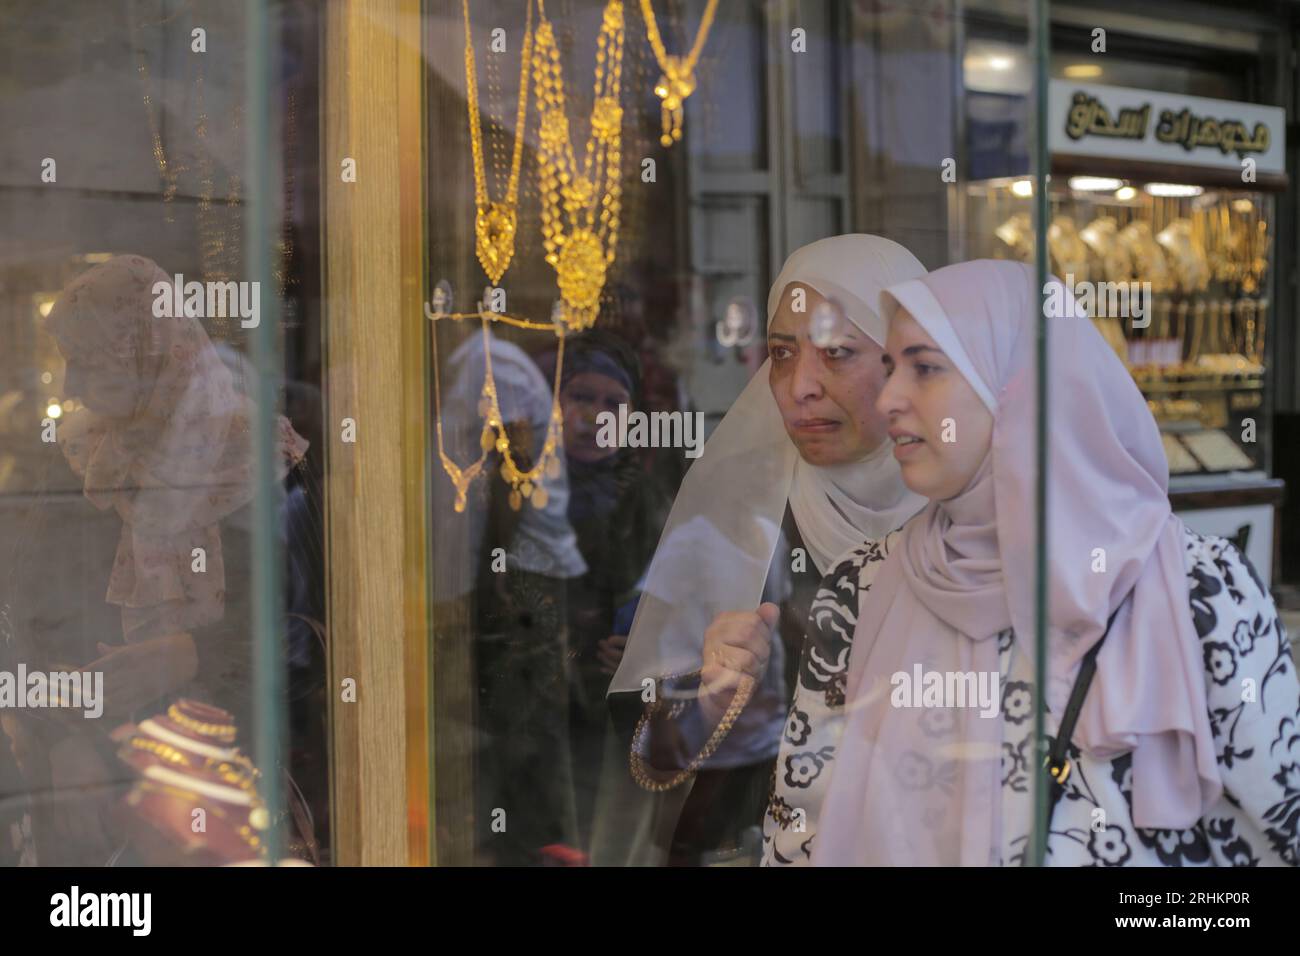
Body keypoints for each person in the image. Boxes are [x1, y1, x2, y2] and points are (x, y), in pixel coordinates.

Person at [815, 259, 1300, 866]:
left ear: (1019, 384)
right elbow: (802, 824)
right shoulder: (863, 586)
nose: (887, 398)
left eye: (926, 368)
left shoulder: (1195, 585)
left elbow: (1282, 820)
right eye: (890, 369)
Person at [600, 235, 928, 866]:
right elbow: (644, 756)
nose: (799, 385)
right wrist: (710, 701)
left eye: (836, 352)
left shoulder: (972, 522)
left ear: (908, 362)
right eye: (781, 353)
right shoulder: (736, 517)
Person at [0, 254, 308, 864]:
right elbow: (20, 621)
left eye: (87, 362)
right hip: (96, 793)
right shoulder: (77, 462)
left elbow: (318, 635)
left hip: (233, 789)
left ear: (144, 352)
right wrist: (64, 744)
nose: (71, 389)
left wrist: (194, 654)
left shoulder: (263, 463)